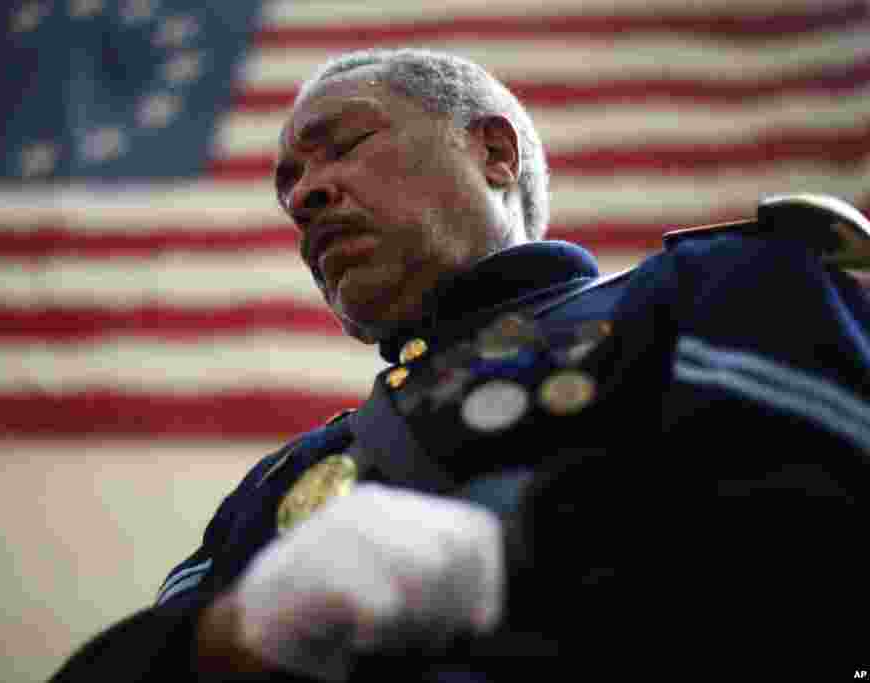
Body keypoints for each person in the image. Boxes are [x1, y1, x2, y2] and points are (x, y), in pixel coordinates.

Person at [50, 48, 868, 681]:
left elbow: (822, 539)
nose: (305, 196)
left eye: (344, 146)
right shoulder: (277, 485)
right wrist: (224, 640)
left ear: (495, 152)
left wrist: (509, 558)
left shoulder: (717, 288)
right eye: (289, 184)